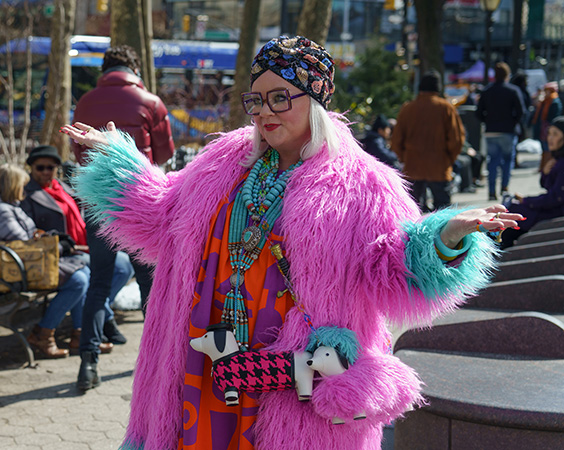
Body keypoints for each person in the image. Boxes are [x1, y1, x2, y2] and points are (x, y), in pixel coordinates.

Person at [62, 35, 520, 450]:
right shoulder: (224, 160)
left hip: (293, 371)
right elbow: (163, 215)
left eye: (280, 97)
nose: (264, 111)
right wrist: (116, 163)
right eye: (255, 100)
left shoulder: (362, 184)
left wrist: (445, 237)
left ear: (315, 100)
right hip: (205, 351)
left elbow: (391, 265)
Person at [69, 44, 175, 391]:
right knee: (149, 285)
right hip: (137, 204)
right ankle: (157, 366)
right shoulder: (150, 102)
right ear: (135, 69)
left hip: (98, 202)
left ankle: (87, 364)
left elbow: (79, 150)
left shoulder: (85, 103)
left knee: (99, 282)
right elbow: (164, 154)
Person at [0, 164, 91, 359]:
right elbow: (26, 245)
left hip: (22, 266)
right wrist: (60, 246)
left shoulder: (6, 207)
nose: (23, 190)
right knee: (79, 280)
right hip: (10, 275)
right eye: (21, 185)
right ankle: (45, 334)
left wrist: (55, 240)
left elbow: (28, 239)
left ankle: (78, 333)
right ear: (11, 186)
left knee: (82, 272)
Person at [20, 145, 130, 350]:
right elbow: (28, 230)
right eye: (40, 168)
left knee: (124, 265)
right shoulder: (27, 194)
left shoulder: (63, 187)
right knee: (85, 276)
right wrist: (60, 242)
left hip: (82, 246)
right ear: (32, 168)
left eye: (50, 168)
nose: (45, 172)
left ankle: (97, 314)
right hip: (57, 252)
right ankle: (93, 325)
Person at [392, 70, 466, 212]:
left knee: (411, 211)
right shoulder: (446, 108)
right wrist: (449, 159)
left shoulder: (408, 108)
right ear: (438, 88)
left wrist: (404, 158)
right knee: (442, 211)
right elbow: (456, 139)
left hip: (413, 165)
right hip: (439, 165)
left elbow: (396, 139)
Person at [500, 116, 564, 248]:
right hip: (553, 207)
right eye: (549, 133)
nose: (550, 138)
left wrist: (526, 200)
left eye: (555, 134)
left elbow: (555, 197)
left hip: (557, 211)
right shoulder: (557, 158)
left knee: (514, 215)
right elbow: (548, 186)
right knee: (511, 212)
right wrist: (546, 173)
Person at [477, 62, 527, 200]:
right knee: (507, 160)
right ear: (507, 75)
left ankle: (491, 191)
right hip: (508, 130)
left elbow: (479, 112)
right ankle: (504, 188)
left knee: (492, 161)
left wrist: (487, 121)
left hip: (491, 131)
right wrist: (513, 122)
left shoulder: (487, 91)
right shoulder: (513, 90)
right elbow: (521, 111)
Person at [531, 82, 562, 169]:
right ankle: (544, 166)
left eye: (547, 91)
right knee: (544, 148)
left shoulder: (554, 101)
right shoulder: (544, 101)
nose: (546, 93)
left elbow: (554, 116)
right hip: (543, 128)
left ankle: (548, 166)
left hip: (549, 128)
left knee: (548, 148)